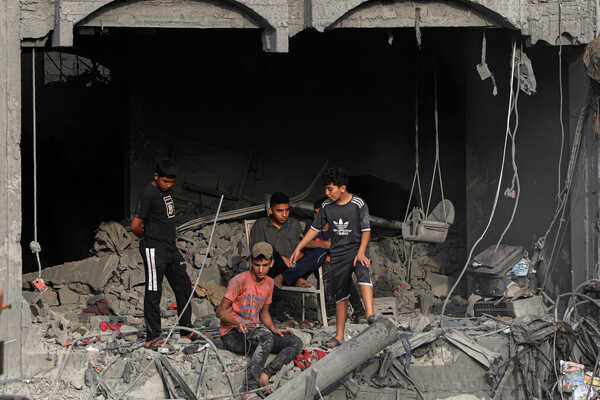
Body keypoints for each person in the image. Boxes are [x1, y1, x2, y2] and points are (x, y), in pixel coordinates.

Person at [291, 167, 375, 348]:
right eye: (326, 189)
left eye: (330, 189)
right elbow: (315, 229)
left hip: (357, 248)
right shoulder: (326, 207)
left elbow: (366, 230)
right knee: (341, 294)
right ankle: (339, 336)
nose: (326, 193)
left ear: (342, 188)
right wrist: (300, 246)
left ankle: (370, 315)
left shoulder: (358, 204)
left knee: (363, 273)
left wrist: (361, 252)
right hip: (339, 253)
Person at [216, 242, 303, 396]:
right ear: (250, 262)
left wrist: (274, 328)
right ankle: (248, 390)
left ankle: (266, 374)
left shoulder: (269, 283)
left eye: (265, 265)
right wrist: (237, 322)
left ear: (272, 263)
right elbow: (220, 311)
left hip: (253, 333)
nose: (261, 269)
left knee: (294, 341)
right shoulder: (239, 280)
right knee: (265, 338)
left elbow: (264, 314)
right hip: (232, 335)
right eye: (257, 265)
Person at [130, 159, 199, 349]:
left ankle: (186, 329)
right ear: (156, 177)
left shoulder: (166, 191)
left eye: (171, 182)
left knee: (184, 285)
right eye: (165, 181)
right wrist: (150, 237)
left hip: (170, 248)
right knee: (154, 290)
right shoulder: (148, 194)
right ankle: (153, 336)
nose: (168, 185)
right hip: (154, 248)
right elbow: (135, 225)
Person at [250, 192, 312, 288]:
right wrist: (281, 258)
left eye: (287, 210)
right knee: (270, 251)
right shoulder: (260, 225)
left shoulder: (294, 224)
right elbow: (257, 251)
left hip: (293, 266)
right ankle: (295, 279)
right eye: (279, 211)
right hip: (270, 268)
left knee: (316, 251)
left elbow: (301, 250)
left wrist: (293, 260)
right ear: (270, 210)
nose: (284, 215)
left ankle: (289, 276)